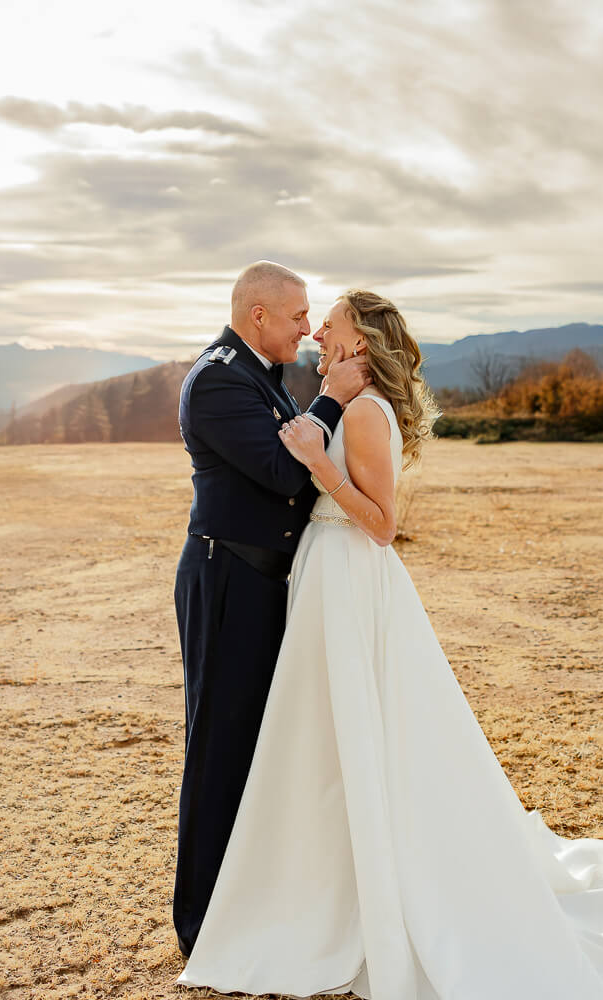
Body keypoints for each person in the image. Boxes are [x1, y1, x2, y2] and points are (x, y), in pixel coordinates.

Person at [178, 290, 603, 999]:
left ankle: (364, 900)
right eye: (310, 320)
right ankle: (323, 888)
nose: (317, 329)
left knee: (361, 735)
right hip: (320, 581)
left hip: (350, 575)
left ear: (360, 341)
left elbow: (380, 524)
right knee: (323, 743)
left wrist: (321, 465)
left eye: (331, 322)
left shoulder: (369, 412)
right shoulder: (333, 399)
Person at [172, 261, 371, 957]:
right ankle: (200, 925)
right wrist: (336, 398)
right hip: (228, 578)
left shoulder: (262, 373)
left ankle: (253, 901)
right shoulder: (222, 378)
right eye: (296, 316)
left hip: (264, 582)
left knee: (261, 747)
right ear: (258, 315)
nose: (307, 327)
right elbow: (287, 469)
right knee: (219, 746)